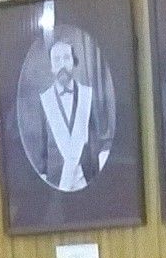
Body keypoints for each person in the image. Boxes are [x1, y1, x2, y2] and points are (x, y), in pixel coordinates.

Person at [27, 35, 107, 191]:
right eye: (56, 60)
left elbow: (95, 139)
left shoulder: (87, 95)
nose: (62, 64)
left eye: (66, 58)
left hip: (87, 178)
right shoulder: (44, 100)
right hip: (58, 182)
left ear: (73, 61)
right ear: (51, 67)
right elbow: (40, 147)